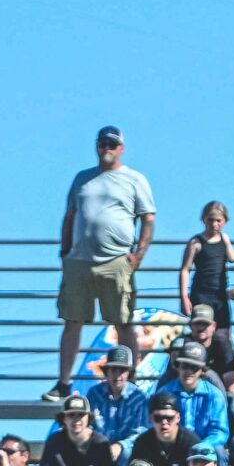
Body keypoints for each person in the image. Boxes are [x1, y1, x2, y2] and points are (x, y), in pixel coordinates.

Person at [45, 126, 155, 403]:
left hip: (116, 260)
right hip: (79, 262)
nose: (107, 148)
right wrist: (65, 251)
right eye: (103, 143)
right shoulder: (82, 178)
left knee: (123, 321)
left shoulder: (134, 179)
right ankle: (63, 383)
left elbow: (148, 219)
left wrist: (138, 254)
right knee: (72, 321)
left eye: (112, 144)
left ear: (121, 148)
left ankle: (130, 379)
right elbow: (70, 215)